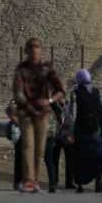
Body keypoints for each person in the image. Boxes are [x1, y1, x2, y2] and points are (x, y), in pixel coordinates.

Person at [12, 37, 65, 194]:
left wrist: (49, 100)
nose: (34, 51)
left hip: (43, 114)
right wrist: (29, 104)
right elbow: (18, 92)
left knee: (40, 149)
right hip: (27, 113)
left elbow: (61, 91)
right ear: (27, 51)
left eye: (37, 48)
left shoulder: (47, 70)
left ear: (41, 50)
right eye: (31, 48)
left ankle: (35, 179)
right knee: (28, 144)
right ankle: (28, 180)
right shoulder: (21, 70)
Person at [63, 69, 102, 193]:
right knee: (100, 154)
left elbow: (73, 114)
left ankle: (80, 184)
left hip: (80, 131)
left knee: (79, 157)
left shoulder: (75, 93)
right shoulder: (97, 91)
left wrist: (70, 133)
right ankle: (99, 179)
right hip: (95, 130)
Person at [43, 98, 72, 193]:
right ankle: (54, 181)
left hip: (65, 135)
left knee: (69, 159)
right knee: (53, 159)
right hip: (55, 136)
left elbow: (70, 118)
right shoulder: (54, 106)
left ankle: (69, 182)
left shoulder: (68, 105)